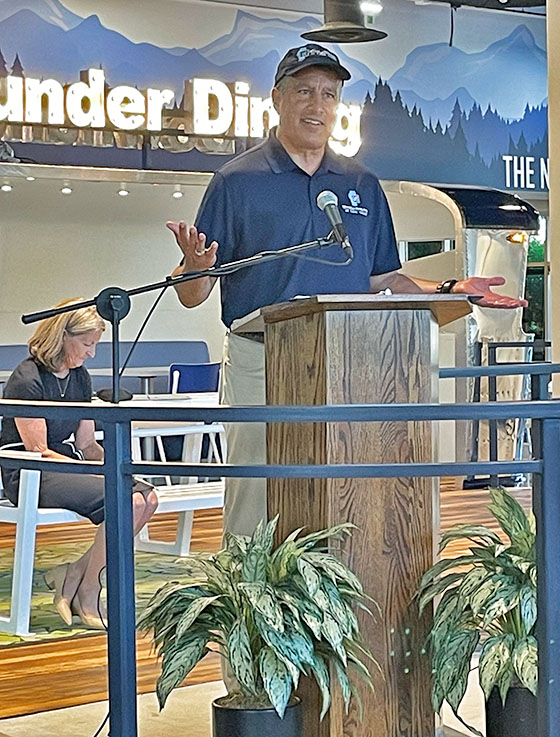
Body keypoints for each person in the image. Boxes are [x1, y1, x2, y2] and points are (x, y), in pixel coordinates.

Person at [165, 44, 527, 537]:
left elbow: (383, 278)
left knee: (343, 485)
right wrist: (195, 267)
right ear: (277, 97)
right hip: (261, 358)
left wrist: (452, 287)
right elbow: (194, 294)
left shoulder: (361, 183)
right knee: (256, 486)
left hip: (350, 362)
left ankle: (336, 598)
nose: (317, 105)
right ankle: (247, 601)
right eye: (304, 91)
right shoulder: (237, 181)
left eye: (329, 94)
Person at [0, 299, 158, 629]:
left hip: (66, 465)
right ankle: (89, 589)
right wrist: (98, 474)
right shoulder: (26, 378)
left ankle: (73, 573)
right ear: (62, 336)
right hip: (30, 471)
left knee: (147, 497)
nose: (91, 353)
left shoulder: (79, 377)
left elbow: (87, 444)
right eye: (87, 344)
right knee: (125, 500)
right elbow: (39, 450)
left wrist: (116, 465)